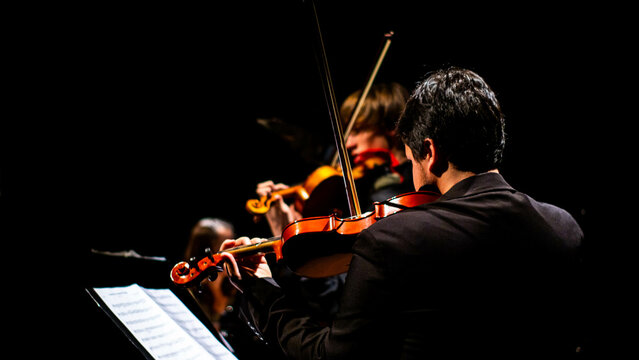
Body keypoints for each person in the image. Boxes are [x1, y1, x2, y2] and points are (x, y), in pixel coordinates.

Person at [219, 67, 584, 358]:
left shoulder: (395, 237)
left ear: (430, 152)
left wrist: (261, 293)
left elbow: (330, 354)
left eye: (410, 159)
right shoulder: (563, 227)